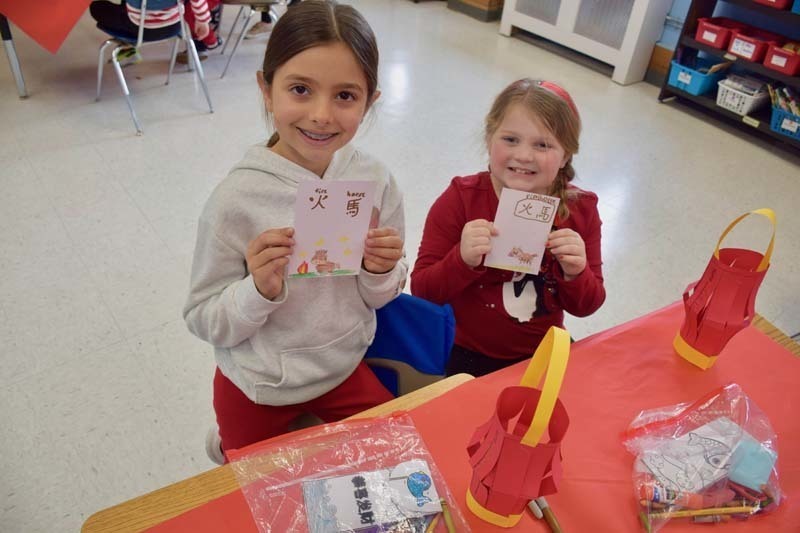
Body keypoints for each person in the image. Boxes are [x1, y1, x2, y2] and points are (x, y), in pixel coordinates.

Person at [184, 0, 407, 464]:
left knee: (396, 459)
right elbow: (202, 316)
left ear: (370, 101)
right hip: (259, 384)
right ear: (267, 90)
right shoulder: (236, 201)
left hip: (343, 366)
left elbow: (382, 295)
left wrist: (380, 270)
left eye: (345, 96)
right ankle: (225, 443)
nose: (322, 115)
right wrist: (257, 291)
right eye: (301, 89)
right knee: (249, 485)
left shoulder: (375, 182)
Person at [411, 79, 605, 378]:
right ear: (489, 139)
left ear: (565, 155)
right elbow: (423, 291)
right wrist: (461, 260)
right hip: (464, 348)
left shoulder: (581, 210)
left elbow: (587, 305)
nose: (524, 155)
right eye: (511, 139)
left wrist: (576, 273)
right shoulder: (460, 199)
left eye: (542, 145)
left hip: (542, 349)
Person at [90, 0, 211, 43]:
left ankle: (130, 48)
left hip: (141, 29)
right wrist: (202, 21)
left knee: (96, 7)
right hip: (174, 26)